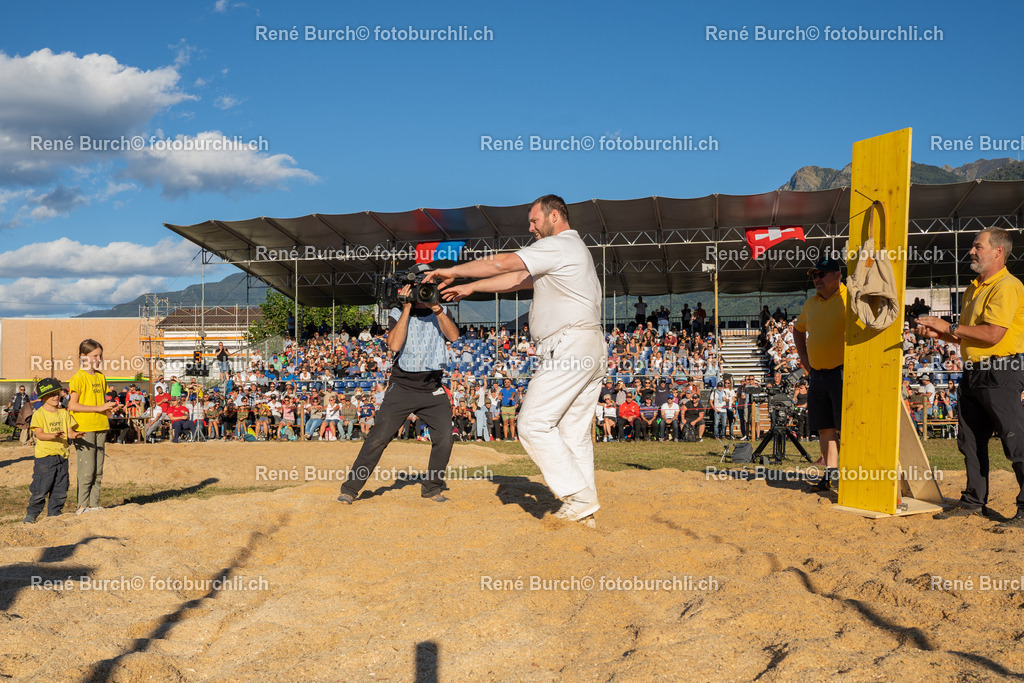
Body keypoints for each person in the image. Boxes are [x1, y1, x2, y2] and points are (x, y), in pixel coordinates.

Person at [426, 194, 607, 525]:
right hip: (589, 345)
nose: (531, 227)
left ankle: (579, 497)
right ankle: (584, 513)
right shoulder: (570, 250)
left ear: (554, 216)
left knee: (532, 424)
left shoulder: (559, 245)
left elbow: (502, 263)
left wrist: (452, 271)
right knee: (573, 432)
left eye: (535, 220)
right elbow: (517, 279)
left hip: (568, 345)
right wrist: (470, 288)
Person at [917, 228, 1024, 526]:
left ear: (998, 251)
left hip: (1001, 370)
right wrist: (939, 332)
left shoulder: (1007, 286)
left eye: (978, 246)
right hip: (975, 371)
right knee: (969, 440)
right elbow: (966, 338)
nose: (971, 251)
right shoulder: (973, 288)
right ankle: (974, 501)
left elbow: (992, 334)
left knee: (1015, 441)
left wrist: (947, 327)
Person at [337, 277, 460, 504]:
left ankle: (432, 488)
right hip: (403, 387)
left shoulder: (441, 311)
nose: (424, 293)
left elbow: (453, 336)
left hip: (433, 388)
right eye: (420, 289)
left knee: (445, 439)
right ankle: (350, 488)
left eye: (428, 289)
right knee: (378, 439)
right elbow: (394, 345)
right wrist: (406, 308)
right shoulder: (397, 312)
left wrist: (436, 307)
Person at [793, 257, 846, 492]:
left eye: (821, 274)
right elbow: (798, 329)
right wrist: (804, 359)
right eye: (814, 275)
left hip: (843, 372)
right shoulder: (810, 303)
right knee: (825, 428)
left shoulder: (850, 298)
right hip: (818, 374)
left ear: (837, 276)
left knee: (846, 427)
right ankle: (831, 476)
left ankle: (851, 474)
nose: (817, 279)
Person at [67, 339, 119, 515]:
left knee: (98, 469)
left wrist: (110, 406)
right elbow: (72, 406)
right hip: (84, 427)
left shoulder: (100, 376)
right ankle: (82, 505)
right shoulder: (78, 378)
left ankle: (94, 504)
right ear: (83, 357)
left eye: (100, 355)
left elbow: (100, 402)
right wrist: (99, 407)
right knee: (87, 469)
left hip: (101, 425)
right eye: (95, 355)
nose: (99, 358)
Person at [24, 378, 80, 523]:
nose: (56, 396)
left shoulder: (64, 413)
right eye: (51, 394)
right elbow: (39, 434)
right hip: (45, 458)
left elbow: (70, 432)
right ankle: (31, 515)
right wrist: (52, 435)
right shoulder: (39, 414)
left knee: (60, 489)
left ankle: (54, 515)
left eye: (57, 393)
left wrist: (75, 435)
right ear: (42, 397)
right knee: (40, 489)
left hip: (63, 456)